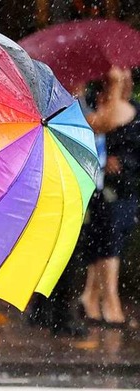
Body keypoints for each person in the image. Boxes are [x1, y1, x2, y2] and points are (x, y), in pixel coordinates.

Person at [27, 67, 136, 335]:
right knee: (64, 251)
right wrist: (113, 87)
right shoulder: (66, 104)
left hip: (76, 184)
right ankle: (57, 316)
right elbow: (101, 123)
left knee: (60, 250)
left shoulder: (77, 100)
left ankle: (42, 310)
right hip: (65, 184)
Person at [80, 67, 140, 328]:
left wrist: (127, 162)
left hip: (129, 187)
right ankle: (109, 302)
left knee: (112, 237)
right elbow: (97, 129)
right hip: (103, 187)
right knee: (107, 238)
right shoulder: (95, 106)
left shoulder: (135, 109)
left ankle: (90, 298)